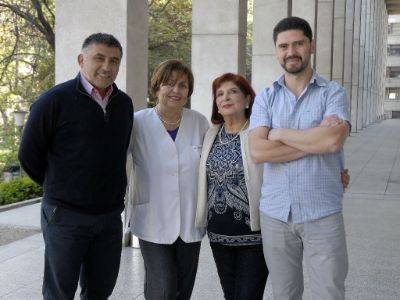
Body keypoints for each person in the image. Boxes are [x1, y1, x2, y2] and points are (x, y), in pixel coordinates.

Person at [18, 33, 133, 300]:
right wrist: (61, 187)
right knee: (60, 292)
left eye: (114, 60)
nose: (107, 66)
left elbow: (119, 152)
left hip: (108, 218)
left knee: (100, 291)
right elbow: (29, 156)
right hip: (65, 216)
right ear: (81, 59)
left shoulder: (123, 104)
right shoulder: (53, 101)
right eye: (99, 58)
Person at [249, 16, 351, 300]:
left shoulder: (333, 92)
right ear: (276, 50)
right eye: (283, 46)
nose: (290, 51)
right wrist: (314, 139)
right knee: (285, 294)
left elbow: (333, 140)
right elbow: (258, 151)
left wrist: (279, 133)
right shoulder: (265, 97)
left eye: (298, 44)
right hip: (276, 214)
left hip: (323, 211)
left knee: (329, 293)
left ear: (311, 46)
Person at [127, 59, 209, 300]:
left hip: (190, 219)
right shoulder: (137, 122)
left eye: (183, 85)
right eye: (169, 84)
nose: (176, 90)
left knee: (183, 289)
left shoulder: (199, 122)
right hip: (152, 217)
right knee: (162, 288)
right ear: (156, 88)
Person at [195, 73, 268, 299]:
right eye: (220, 94)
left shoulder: (259, 132)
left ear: (247, 99)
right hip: (219, 234)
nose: (225, 97)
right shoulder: (210, 135)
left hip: (254, 235)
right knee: (231, 295)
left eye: (233, 91)